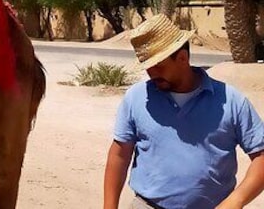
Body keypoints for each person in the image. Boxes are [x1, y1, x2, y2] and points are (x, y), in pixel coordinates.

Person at [103, 13, 264, 209]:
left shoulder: (230, 101)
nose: (152, 73)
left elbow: (261, 155)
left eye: (158, 66)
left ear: (182, 58)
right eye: (147, 67)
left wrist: (236, 201)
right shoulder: (137, 97)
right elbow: (120, 155)